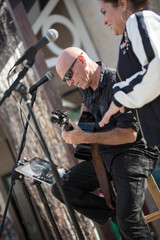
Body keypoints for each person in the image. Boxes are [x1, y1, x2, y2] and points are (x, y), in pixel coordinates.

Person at [51, 47, 158, 239]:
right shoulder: (85, 90)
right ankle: (115, 214)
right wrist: (74, 132)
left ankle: (124, 216)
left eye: (69, 74)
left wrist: (84, 138)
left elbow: (130, 135)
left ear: (83, 62)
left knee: (129, 222)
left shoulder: (117, 80)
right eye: (64, 79)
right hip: (106, 155)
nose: (69, 82)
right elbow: (87, 134)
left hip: (133, 153)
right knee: (61, 186)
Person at [98, 0, 160, 149]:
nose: (104, 21)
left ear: (122, 4)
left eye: (104, 12)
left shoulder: (138, 19)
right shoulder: (131, 31)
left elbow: (158, 66)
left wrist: (120, 95)